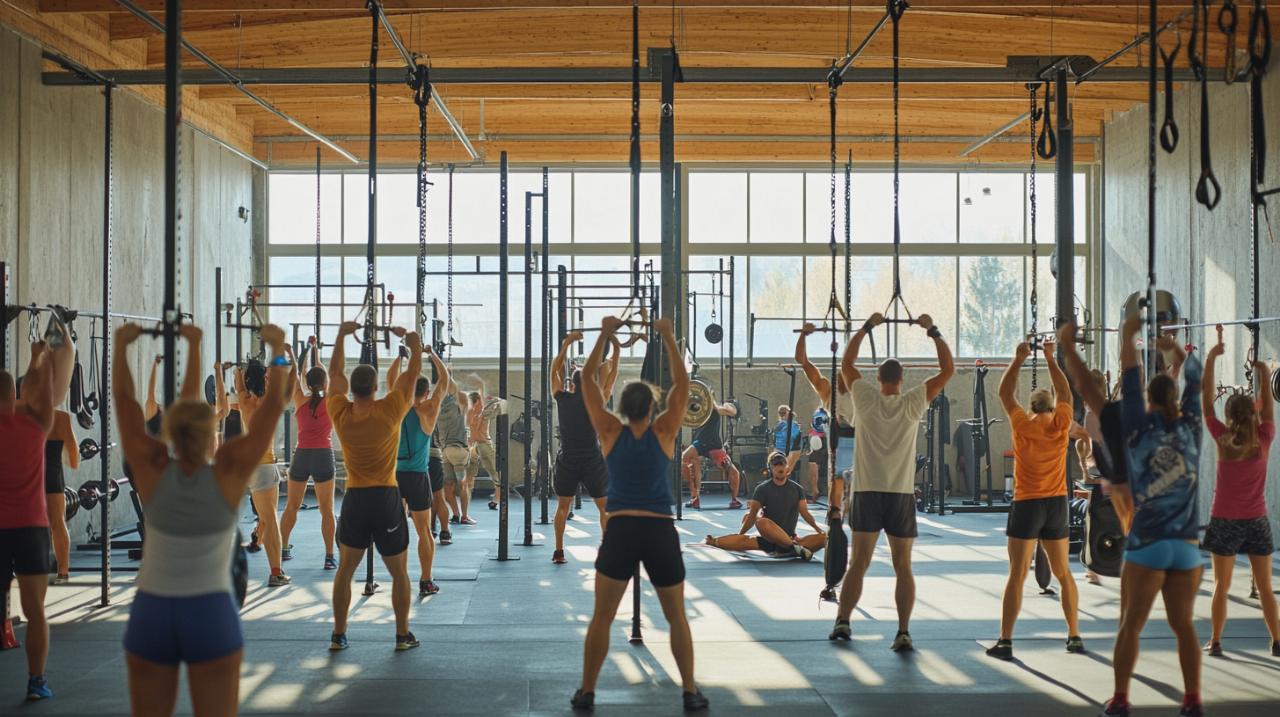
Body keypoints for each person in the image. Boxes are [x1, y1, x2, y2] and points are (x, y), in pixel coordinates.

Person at [117, 322, 291, 717]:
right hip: (210, 614)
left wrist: (122, 350)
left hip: (152, 613)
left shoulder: (150, 470)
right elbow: (277, 403)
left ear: (170, 431)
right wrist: (278, 348)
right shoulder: (228, 473)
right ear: (214, 427)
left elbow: (126, 406)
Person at [573, 316, 707, 712]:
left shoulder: (610, 433)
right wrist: (667, 337)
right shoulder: (664, 432)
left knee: (601, 618)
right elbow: (683, 388)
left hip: (620, 530)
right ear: (651, 407)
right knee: (677, 618)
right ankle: (689, 691)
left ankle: (587, 691)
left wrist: (605, 334)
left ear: (623, 409)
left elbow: (587, 384)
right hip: (659, 532)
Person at [1098, 316, 1204, 717]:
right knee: (1185, 627)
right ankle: (1192, 700)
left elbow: (1128, 370)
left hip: (1148, 544)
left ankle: (1121, 699)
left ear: (1149, 401)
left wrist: (1129, 334)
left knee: (1131, 625)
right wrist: (1171, 347)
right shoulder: (1192, 425)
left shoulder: (1137, 427)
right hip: (1187, 548)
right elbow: (1195, 377)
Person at [828, 312, 953, 650]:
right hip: (899, 496)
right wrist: (932, 329)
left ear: (879, 376)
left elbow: (847, 363)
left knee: (859, 563)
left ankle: (843, 622)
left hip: (868, 493)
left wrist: (867, 327)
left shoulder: (865, 399)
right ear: (902, 378)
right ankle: (903, 632)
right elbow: (948, 370)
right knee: (903, 566)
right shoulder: (913, 402)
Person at [326, 321, 421, 651]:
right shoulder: (391, 409)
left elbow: (334, 372)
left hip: (355, 498)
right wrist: (412, 340)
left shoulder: (339, 411)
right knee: (400, 574)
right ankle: (401, 635)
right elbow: (412, 377)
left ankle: (339, 634)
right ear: (375, 387)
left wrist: (340, 336)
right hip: (385, 498)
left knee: (345, 571)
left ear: (352, 389)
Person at [987, 340, 1083, 661]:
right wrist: (1050, 357)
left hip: (1027, 504)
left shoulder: (1022, 423)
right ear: (1052, 408)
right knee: (1063, 573)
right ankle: (1073, 635)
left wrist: (1018, 359)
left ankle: (1005, 640)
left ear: (1031, 407)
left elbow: (1004, 393)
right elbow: (1066, 393)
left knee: (1017, 574)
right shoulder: (1061, 423)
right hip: (1055, 504)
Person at [1200, 327, 1280, 657]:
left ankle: (1216, 641)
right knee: (1264, 588)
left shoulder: (1221, 438)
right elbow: (1268, 411)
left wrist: (1211, 359)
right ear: (1253, 413)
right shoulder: (1264, 438)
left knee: (1221, 585)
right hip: (1256, 520)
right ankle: (1277, 641)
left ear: (1228, 416)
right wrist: (1264, 372)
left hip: (1224, 520)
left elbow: (1206, 401)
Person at [1, 342, 56, 700]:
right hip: (32, 527)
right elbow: (42, 394)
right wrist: (42, 359)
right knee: (35, 611)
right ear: (15, 394)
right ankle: (36, 681)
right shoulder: (35, 423)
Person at [1058, 324, 1135, 534]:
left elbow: (1087, 388)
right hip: (1106, 464)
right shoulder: (1102, 413)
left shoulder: (1099, 413)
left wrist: (1067, 346)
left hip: (1105, 465)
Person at [550, 331, 619, 564]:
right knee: (604, 508)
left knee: (562, 507)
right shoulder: (597, 400)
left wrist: (566, 343)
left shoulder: (562, 397)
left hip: (568, 458)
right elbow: (613, 377)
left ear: (571, 383)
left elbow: (554, 370)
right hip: (591, 459)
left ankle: (559, 551)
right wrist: (617, 349)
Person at [389, 348, 450, 597]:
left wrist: (401, 357)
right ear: (426, 393)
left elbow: (392, 381)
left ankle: (399, 577)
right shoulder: (429, 409)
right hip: (417, 476)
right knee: (423, 531)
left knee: (396, 528)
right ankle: (426, 580)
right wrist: (433, 355)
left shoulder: (397, 405)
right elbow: (444, 382)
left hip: (394, 476)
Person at [704, 451, 825, 559]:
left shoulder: (797, 489)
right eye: (776, 465)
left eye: (782, 464)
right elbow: (752, 516)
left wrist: (818, 529)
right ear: (771, 468)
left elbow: (805, 513)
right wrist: (740, 535)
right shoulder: (762, 489)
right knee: (761, 522)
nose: (780, 467)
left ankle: (792, 547)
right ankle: (794, 548)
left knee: (826, 538)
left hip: (790, 537)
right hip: (770, 541)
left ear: (787, 467)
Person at [280, 350, 338, 570]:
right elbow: (324, 378)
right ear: (324, 382)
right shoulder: (331, 400)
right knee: (327, 510)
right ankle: (329, 556)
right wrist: (317, 354)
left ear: (307, 382)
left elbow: (296, 374)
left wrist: (297, 354)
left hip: (302, 456)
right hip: (323, 455)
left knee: (292, 506)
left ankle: (283, 548)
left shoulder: (300, 399)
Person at [235, 361, 289, 587]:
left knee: (269, 517)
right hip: (264, 467)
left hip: (255, 466)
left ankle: (258, 535)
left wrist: (239, 371)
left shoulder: (244, 401)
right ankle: (276, 573)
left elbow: (239, 385)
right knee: (271, 520)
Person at [796, 322, 848, 504]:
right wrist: (803, 335)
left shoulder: (859, 390)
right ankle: (832, 506)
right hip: (838, 437)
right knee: (837, 478)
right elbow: (802, 360)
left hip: (854, 438)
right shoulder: (827, 389)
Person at [681, 385, 741, 511]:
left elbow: (732, 412)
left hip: (714, 444)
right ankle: (694, 497)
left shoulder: (717, 409)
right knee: (685, 459)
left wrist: (715, 405)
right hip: (700, 442)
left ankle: (734, 500)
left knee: (733, 471)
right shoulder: (695, 407)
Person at [44, 409, 79, 584]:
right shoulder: (61, 417)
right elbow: (74, 460)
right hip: (52, 474)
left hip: (25, 473)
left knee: (19, 525)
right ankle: (63, 573)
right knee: (58, 523)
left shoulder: (16, 413)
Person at [464, 377, 504, 511]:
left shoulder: (478, 411)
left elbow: (485, 395)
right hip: (475, 445)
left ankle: (497, 500)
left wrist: (480, 384)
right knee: (472, 475)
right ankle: (466, 504)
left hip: (481, 444)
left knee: (494, 473)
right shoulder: (474, 412)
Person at [437, 387, 472, 527]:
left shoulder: (438, 410)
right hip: (458, 450)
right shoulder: (458, 408)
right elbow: (464, 396)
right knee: (463, 485)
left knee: (448, 486)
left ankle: (455, 514)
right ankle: (464, 516)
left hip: (445, 451)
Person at [772, 405, 804, 479]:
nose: (782, 415)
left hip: (790, 451)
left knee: (786, 471)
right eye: (780, 413)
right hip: (780, 450)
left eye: (784, 413)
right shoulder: (779, 425)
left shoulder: (794, 425)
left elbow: (795, 439)